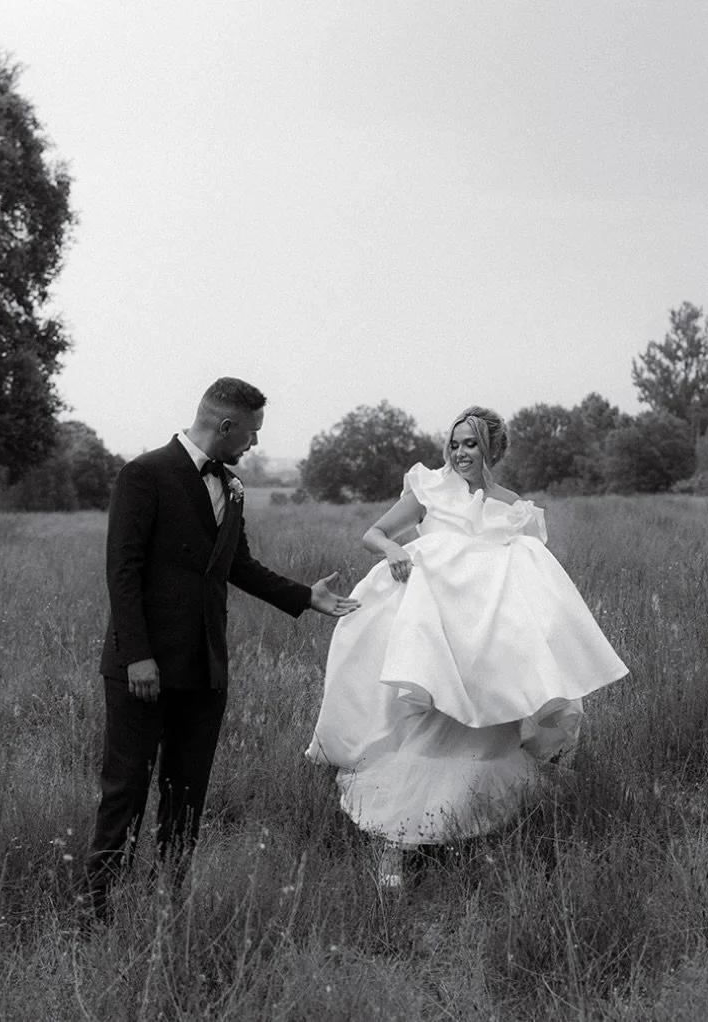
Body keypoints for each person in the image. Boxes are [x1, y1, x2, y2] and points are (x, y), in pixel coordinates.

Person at [306, 405, 628, 887]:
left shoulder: (511, 504)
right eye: (454, 443)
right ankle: (396, 848)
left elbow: (528, 575)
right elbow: (374, 533)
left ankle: (462, 840)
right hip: (438, 631)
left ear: (492, 449)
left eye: (470, 443)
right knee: (430, 730)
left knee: (485, 736)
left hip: (490, 638)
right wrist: (395, 549)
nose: (459, 452)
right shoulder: (429, 489)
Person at [84, 377, 358, 917]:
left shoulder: (232, 488)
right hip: (143, 668)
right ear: (225, 425)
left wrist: (306, 597)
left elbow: (238, 566)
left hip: (205, 670)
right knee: (127, 795)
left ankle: (170, 909)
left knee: (187, 797)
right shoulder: (144, 475)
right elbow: (124, 570)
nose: (253, 445)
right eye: (251, 433)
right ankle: (97, 914)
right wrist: (137, 655)